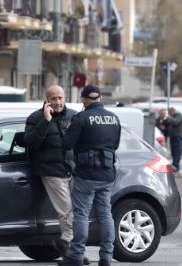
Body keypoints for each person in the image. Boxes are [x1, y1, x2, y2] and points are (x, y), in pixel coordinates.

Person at [24, 85, 87, 263]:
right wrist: (45, 120)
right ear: (47, 100)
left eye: (60, 98)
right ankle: (70, 247)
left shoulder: (74, 116)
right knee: (66, 211)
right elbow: (30, 142)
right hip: (51, 171)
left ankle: (74, 250)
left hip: (73, 169)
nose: (58, 102)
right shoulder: (36, 118)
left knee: (78, 212)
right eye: (53, 98)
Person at [60, 85, 121, 266]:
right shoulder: (114, 118)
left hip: (86, 174)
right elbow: (115, 145)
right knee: (105, 215)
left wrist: (66, 131)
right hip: (107, 174)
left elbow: (67, 144)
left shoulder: (81, 118)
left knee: (81, 215)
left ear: (84, 99)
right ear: (100, 98)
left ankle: (77, 256)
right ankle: (106, 257)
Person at [165, 107, 182, 172]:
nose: (169, 114)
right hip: (172, 137)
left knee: (177, 152)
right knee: (173, 152)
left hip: (178, 137)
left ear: (173, 111)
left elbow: (175, 122)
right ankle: (174, 166)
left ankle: (176, 166)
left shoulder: (179, 116)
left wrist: (169, 118)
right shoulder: (173, 117)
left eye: (170, 113)